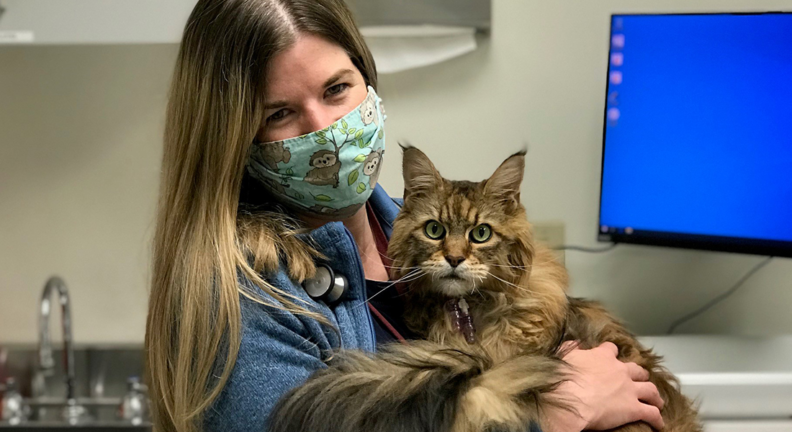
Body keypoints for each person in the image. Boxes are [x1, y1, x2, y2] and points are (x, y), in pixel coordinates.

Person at [144, 1, 666, 431]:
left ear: (368, 85)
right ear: (232, 139)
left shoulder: (400, 224)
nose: (326, 128)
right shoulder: (240, 296)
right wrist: (552, 410)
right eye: (280, 113)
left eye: (337, 90)